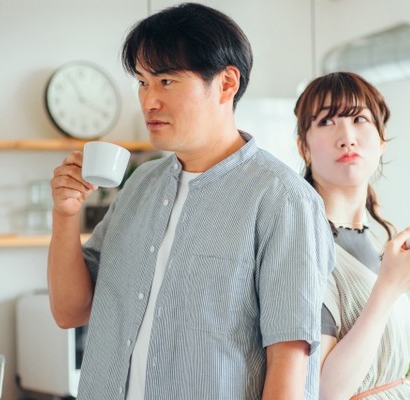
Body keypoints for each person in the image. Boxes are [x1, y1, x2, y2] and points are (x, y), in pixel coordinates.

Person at [47, 3, 334, 399]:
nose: (149, 101)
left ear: (227, 84)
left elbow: (289, 363)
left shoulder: (283, 200)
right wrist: (65, 215)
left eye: (166, 81)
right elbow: (70, 312)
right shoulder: (140, 184)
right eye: (142, 82)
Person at [293, 72, 410, 400]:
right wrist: (390, 286)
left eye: (359, 119)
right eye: (326, 122)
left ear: (381, 142)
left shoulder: (374, 240)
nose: (347, 137)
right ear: (304, 148)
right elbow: (327, 390)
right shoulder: (306, 245)